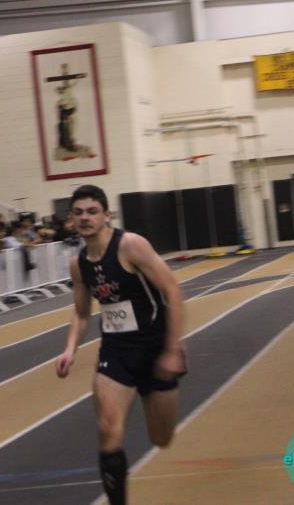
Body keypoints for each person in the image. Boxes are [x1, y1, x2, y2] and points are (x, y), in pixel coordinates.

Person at [55, 185, 186, 505]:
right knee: (107, 428)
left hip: (155, 349)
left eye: (92, 211)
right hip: (116, 351)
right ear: (71, 218)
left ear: (106, 215)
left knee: (162, 438)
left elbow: (172, 290)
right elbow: (81, 313)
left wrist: (172, 348)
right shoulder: (79, 263)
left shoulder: (130, 245)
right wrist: (70, 348)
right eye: (78, 212)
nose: (85, 218)